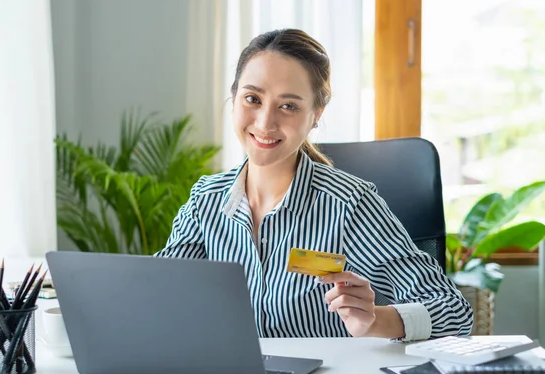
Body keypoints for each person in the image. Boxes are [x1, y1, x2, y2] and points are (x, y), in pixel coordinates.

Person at [155, 28, 473, 341]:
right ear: (234, 96)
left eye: (289, 106)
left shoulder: (350, 204)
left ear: (316, 114)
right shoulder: (205, 201)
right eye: (252, 98)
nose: (265, 122)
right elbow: (156, 293)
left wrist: (376, 320)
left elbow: (454, 312)